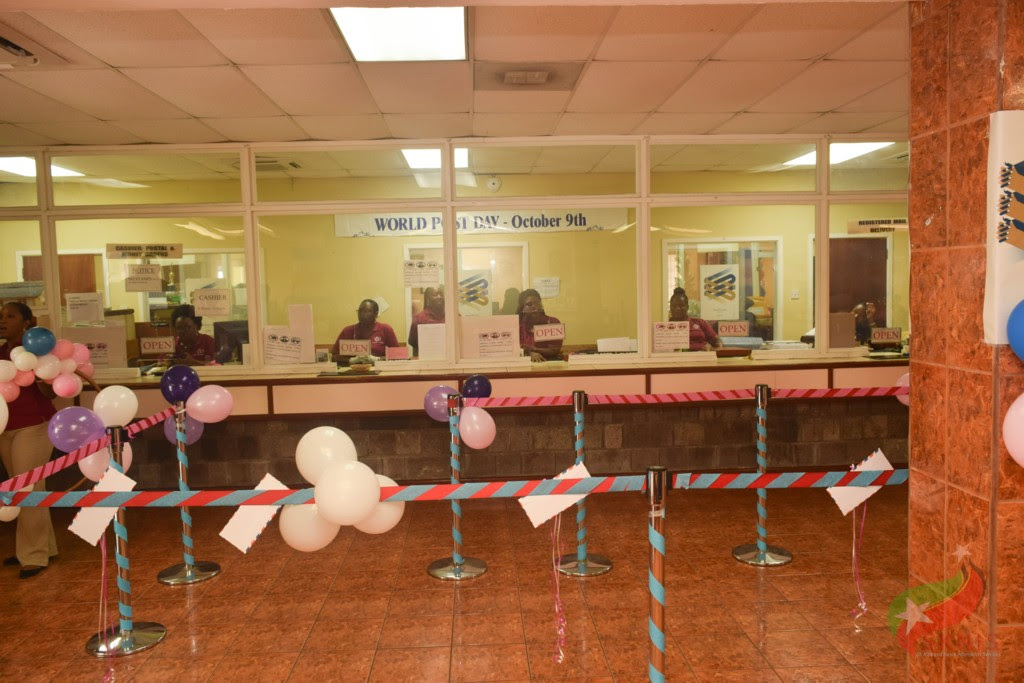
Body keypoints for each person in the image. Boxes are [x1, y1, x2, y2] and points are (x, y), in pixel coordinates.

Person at [0, 302, 58, 579]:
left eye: (10, 316)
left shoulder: (37, 351)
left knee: (26, 489)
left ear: (26, 323)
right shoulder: (1, 352)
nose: (3, 320)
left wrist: (39, 372)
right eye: (1, 316)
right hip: (6, 428)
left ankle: (33, 555)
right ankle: (43, 547)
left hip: (34, 426)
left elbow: (51, 393)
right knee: (21, 490)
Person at [334, 299, 398, 362]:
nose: (362, 314)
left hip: (379, 367)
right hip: (352, 368)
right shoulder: (347, 331)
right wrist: (351, 360)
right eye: (360, 311)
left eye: (366, 311)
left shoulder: (386, 329)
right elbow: (334, 356)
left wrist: (378, 359)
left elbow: (397, 356)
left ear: (376, 314)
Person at [518, 289, 563, 362]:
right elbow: (515, 349)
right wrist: (529, 353)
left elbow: (554, 350)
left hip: (549, 363)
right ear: (522, 309)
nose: (534, 306)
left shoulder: (553, 322)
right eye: (529, 304)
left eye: (537, 303)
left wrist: (532, 349)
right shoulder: (518, 326)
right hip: (524, 363)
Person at [408, 286, 445, 356]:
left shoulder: (453, 316)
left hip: (449, 357)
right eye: (435, 294)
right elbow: (412, 341)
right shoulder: (419, 318)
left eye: (441, 294)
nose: (439, 297)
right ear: (428, 298)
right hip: (428, 357)